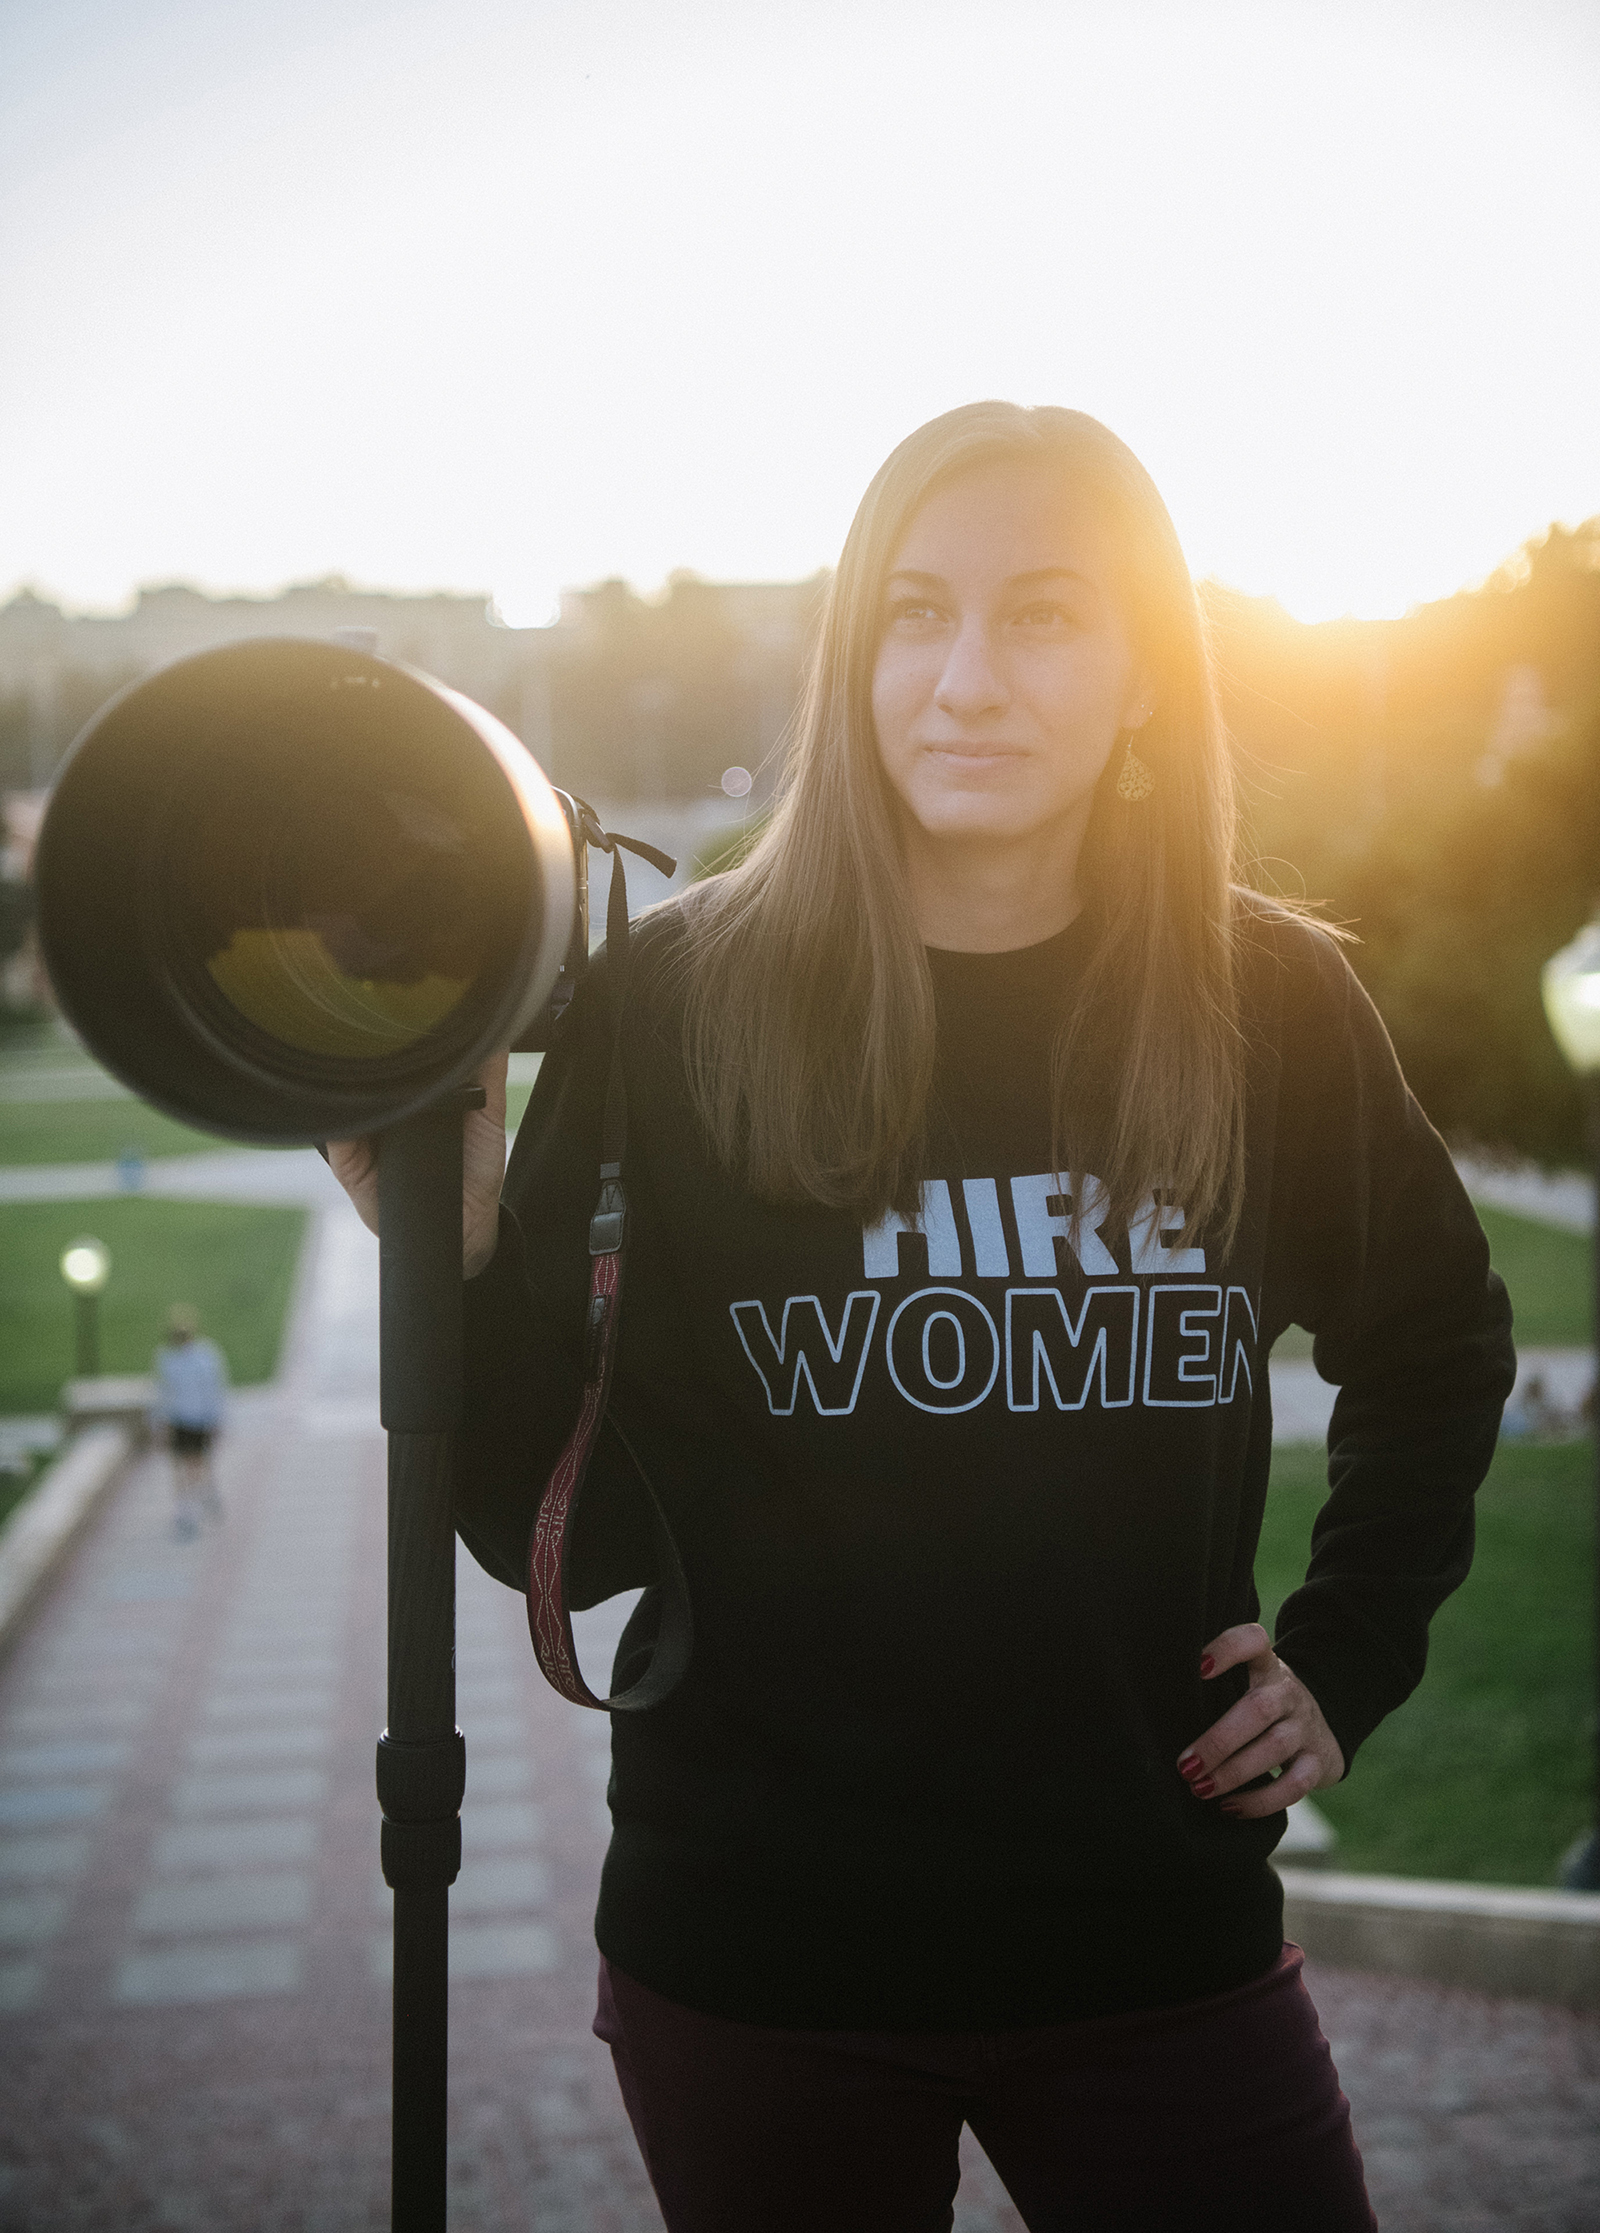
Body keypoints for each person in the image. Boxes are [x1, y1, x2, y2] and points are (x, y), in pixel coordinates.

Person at [332, 401, 1514, 2231]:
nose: (966, 677)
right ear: (853, 650)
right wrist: (468, 1246)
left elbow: (1436, 1338)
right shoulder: (678, 1001)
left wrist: (1347, 1654)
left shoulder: (1266, 1002)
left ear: (1142, 674)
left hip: (1153, 1924)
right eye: (915, 612)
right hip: (761, 1957)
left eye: (1043, 615)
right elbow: (543, 1529)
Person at [153, 1304, 227, 1539]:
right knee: (181, 1466)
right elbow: (162, 1392)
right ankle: (187, 1507)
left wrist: (216, 1419)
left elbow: (214, 1389)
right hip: (178, 1420)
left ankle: (198, 1500)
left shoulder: (205, 1356)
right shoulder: (166, 1359)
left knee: (197, 1463)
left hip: (199, 1420)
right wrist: (160, 1423)